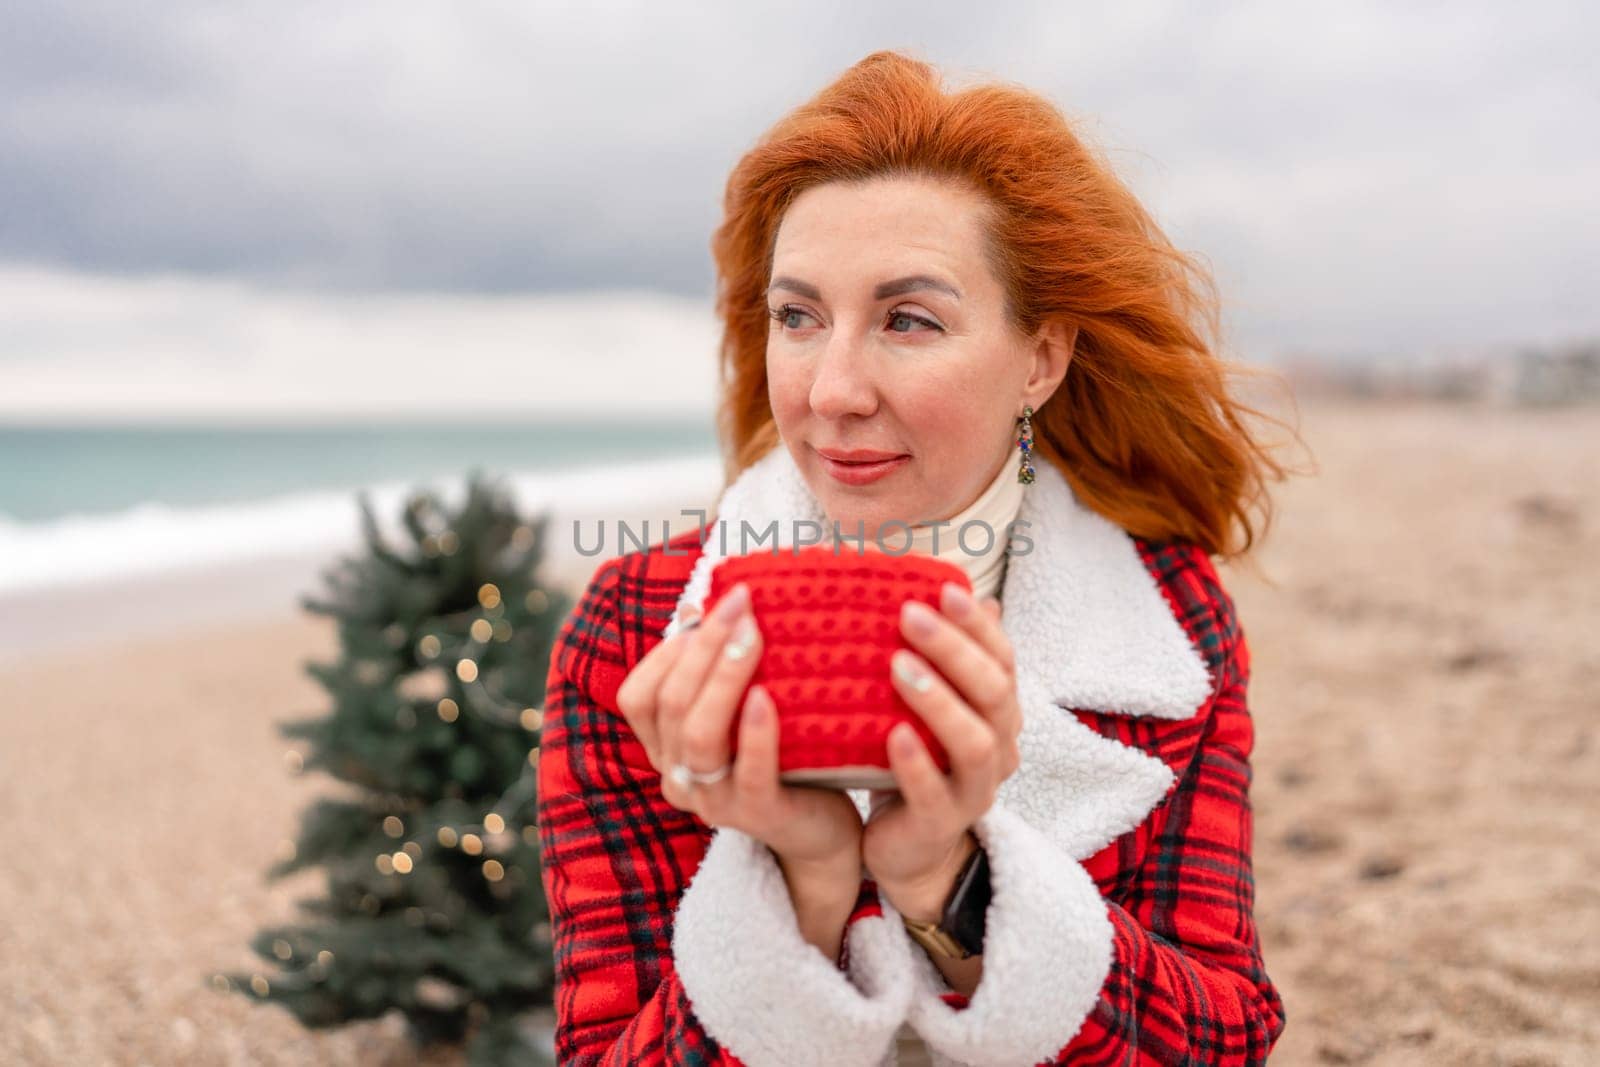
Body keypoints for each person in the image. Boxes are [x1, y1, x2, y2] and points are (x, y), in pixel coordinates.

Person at [537, 49, 1296, 1066]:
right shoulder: (639, 623)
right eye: (798, 316)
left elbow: (1219, 1041)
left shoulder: (1163, 620)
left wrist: (952, 878)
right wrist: (802, 885)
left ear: (1039, 358)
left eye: (909, 319)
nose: (832, 389)